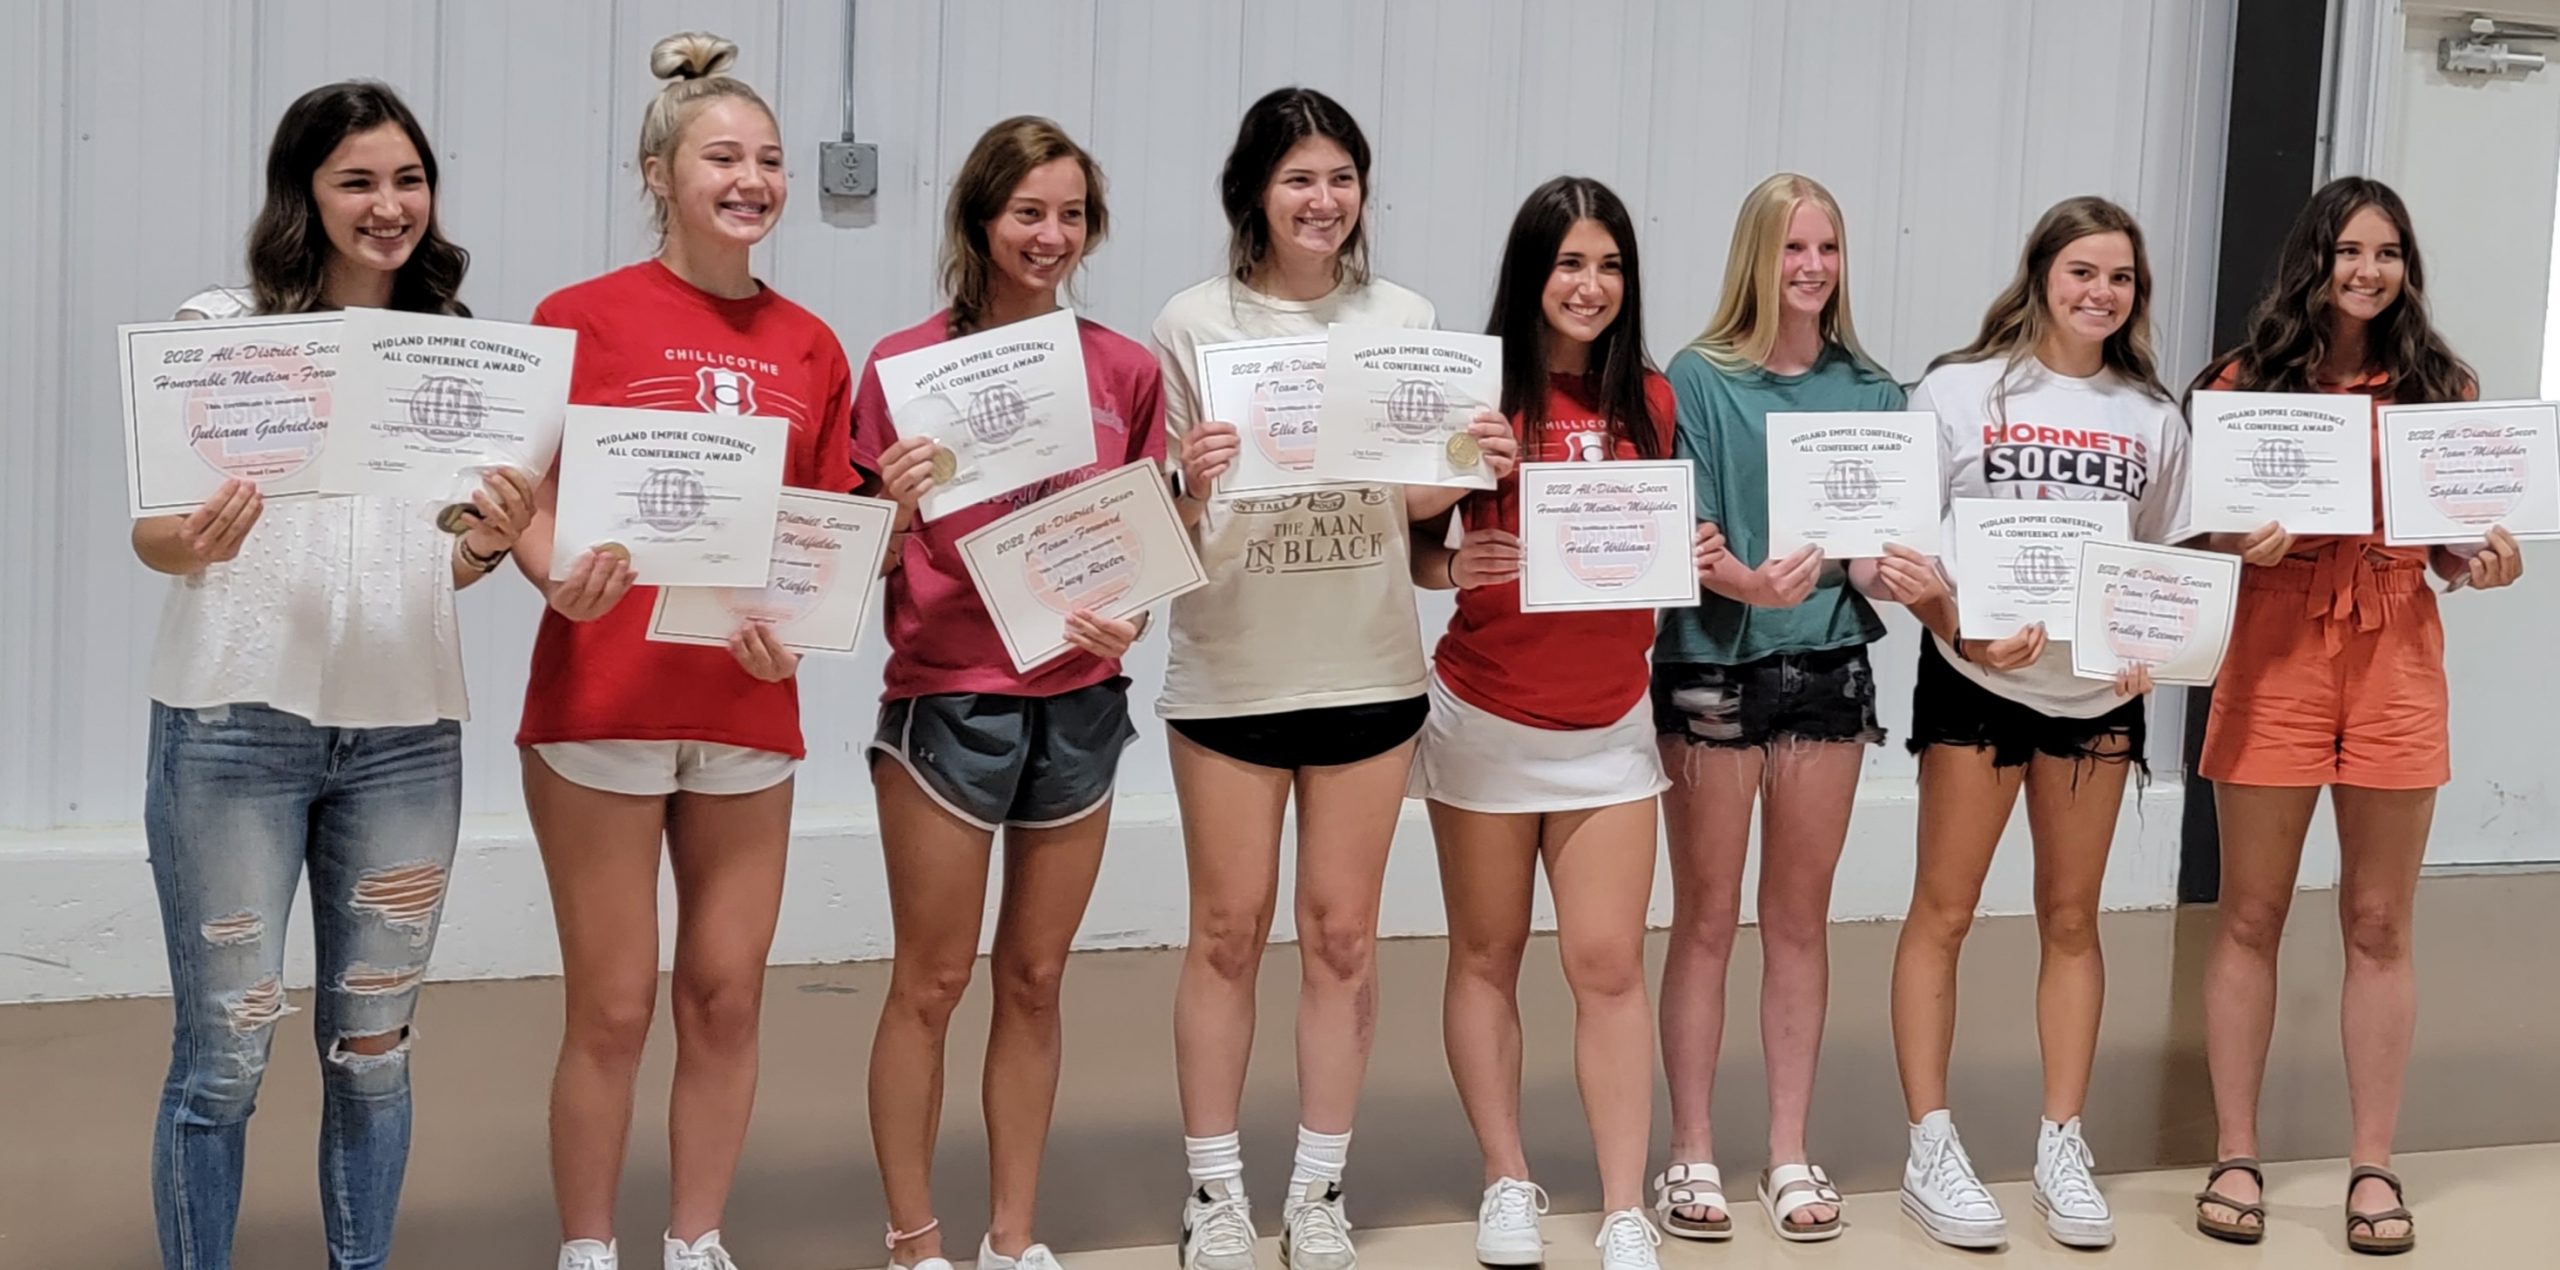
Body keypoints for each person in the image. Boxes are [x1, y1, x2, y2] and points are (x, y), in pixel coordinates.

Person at [133, 80, 525, 1270]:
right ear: (305, 193)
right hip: (232, 729)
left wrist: (490, 544)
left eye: (408, 180)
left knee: (375, 1050)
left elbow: (442, 562)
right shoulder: (220, 329)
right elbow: (155, 532)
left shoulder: (458, 354)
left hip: (406, 733)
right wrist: (193, 540)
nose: (389, 204)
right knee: (226, 1054)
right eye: (358, 180)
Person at [1143, 87, 1513, 1270]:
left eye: (1341, 178)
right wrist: (1190, 480)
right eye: (1299, 178)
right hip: (1229, 669)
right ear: (1254, 189)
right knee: (1224, 932)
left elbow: (1409, 500)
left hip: (1366, 665)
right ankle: (1213, 1194)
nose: (1322, 200)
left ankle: (1316, 1190)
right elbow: (1163, 524)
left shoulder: (1403, 315)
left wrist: (1467, 462)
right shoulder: (1191, 323)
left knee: (1343, 936)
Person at [513, 34, 856, 1270]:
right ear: (657, 171)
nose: (751, 177)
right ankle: (590, 1247)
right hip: (601, 699)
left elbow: (825, 534)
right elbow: (521, 495)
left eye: (769, 160)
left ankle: (695, 1237)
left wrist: (795, 636)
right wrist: (555, 568)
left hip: (745, 709)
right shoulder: (578, 317)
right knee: (612, 1004)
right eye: (723, 156)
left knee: (725, 993)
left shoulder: (813, 343)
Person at [2187, 176, 2525, 1256]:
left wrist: (2484, 557)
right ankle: (2234, 1150)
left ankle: (2371, 1164)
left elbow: (2450, 544)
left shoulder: (2441, 385)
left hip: (2393, 651)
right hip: (2275, 643)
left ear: (2405, 266)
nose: (2366, 271)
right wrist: (2239, 544)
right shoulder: (2242, 385)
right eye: (2347, 251)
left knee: (2379, 923)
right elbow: (2190, 541)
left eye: (2386, 252)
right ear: (2312, 261)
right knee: (2250, 912)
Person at [856, 116, 1167, 1270]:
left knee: (1034, 978)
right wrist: (891, 502)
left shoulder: (1124, 370)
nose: (1049, 235)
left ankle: (1013, 1237)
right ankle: (913, 1239)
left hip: (1081, 699)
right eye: (1027, 212)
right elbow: (865, 564)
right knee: (931, 981)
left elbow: (1139, 537)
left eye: (1070, 215)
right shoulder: (903, 368)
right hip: (948, 699)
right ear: (980, 221)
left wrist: (1130, 610)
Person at [1411, 175, 1712, 1270]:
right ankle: (1507, 1178)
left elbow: (1661, 536)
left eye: (1609, 264)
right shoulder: (1477, 396)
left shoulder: (1653, 396)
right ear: (1531, 274)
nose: (1589, 285)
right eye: (1568, 262)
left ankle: (1624, 1203)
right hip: (1484, 713)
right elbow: (1414, 546)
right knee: (1485, 957)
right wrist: (1453, 560)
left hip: (1608, 725)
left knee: (1607, 964)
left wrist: (1700, 554)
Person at [1889, 196, 2189, 1252]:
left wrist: (2154, 639)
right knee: (1945, 909)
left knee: (2072, 917)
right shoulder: (1959, 390)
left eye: (2120, 278)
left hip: (2093, 700)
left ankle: (2062, 1141)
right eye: (2081, 272)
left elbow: (2163, 558)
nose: (2100, 292)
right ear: (2039, 275)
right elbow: (1907, 548)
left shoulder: (2151, 414)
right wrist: (1959, 628)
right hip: (1976, 685)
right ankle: (1930, 1143)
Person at [1645, 172, 1922, 1245]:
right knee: (1707, 918)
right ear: (1754, 258)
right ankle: (1691, 1148)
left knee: (1798, 919)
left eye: (1828, 249)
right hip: (1713, 666)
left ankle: (1790, 1147)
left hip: (1826, 669)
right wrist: (1745, 584)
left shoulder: (1873, 390)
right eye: (1792, 248)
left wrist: (1890, 572)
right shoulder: (1698, 378)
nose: (1810, 268)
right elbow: (1693, 536)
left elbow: (1872, 546)